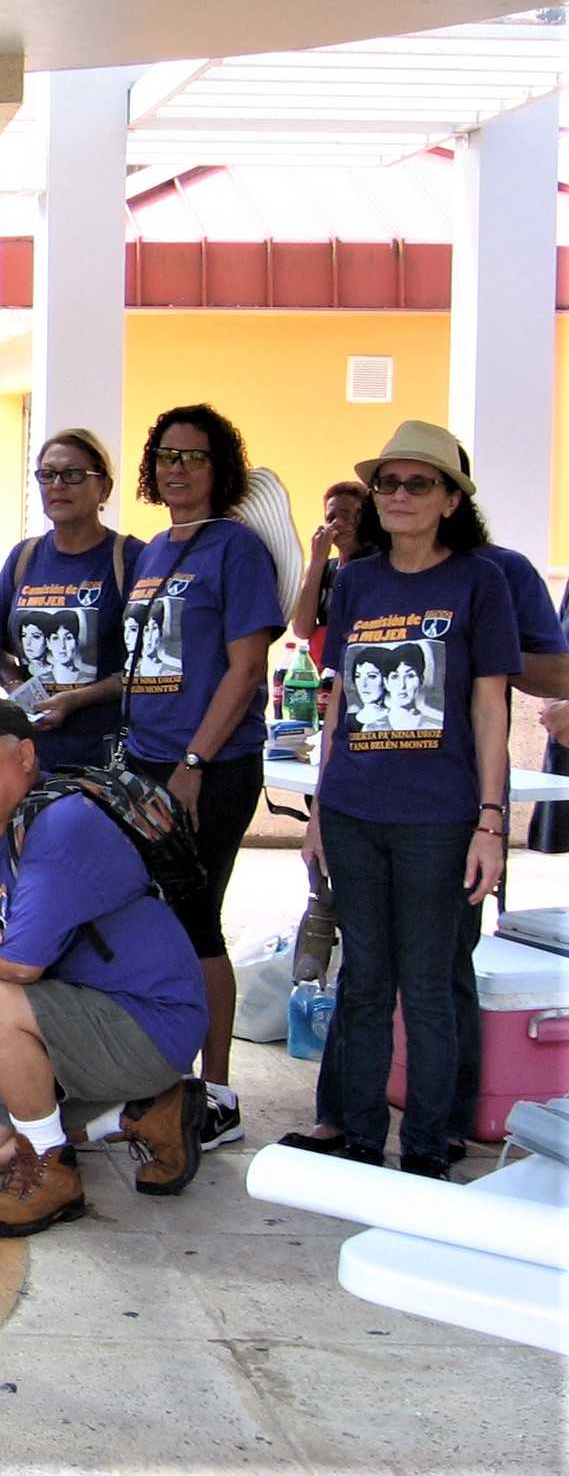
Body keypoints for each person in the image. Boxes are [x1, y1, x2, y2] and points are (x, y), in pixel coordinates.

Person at [289, 422, 517, 1178]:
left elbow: (490, 708)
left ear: (451, 500)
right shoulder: (355, 580)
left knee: (426, 990)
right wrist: (319, 811)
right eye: (387, 483)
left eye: (419, 483)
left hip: (439, 818)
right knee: (362, 983)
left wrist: (490, 821)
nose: (399, 495)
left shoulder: (480, 581)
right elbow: (338, 705)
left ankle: (424, 1148)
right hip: (353, 812)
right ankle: (359, 1140)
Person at [0, 695, 210, 1237]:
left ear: (25, 757)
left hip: (147, 1023)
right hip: (66, 1022)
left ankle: (50, 1171)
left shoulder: (61, 822)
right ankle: (144, 1116)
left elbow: (20, 966)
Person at [119, 403, 284, 1149]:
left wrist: (192, 763)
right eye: (166, 455)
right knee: (152, 923)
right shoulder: (155, 548)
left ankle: (216, 1094)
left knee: (196, 919)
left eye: (193, 456)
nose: (176, 468)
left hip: (208, 766)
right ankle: (165, 1077)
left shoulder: (237, 549)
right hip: (143, 762)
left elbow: (245, 669)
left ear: (222, 470)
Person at [0, 428, 139, 773]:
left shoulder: (129, 558)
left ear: (104, 487)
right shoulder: (24, 557)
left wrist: (79, 699)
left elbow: (145, 667)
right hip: (33, 754)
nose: (58, 485)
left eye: (73, 474)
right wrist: (16, 686)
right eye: (47, 474)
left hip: (105, 755)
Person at [287, 478, 372, 667]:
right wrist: (317, 562)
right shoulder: (326, 568)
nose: (337, 523)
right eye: (331, 518)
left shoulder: (377, 564)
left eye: (347, 515)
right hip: (326, 668)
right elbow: (301, 629)